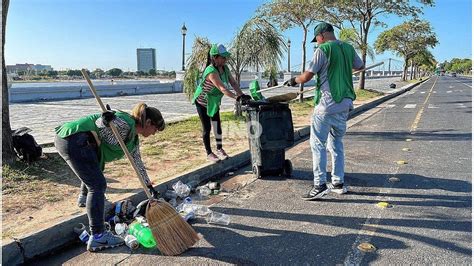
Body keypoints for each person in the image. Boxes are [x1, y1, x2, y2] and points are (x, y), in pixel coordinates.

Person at [54, 102, 164, 251]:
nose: (154, 133)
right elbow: (102, 124)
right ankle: (98, 236)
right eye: (155, 129)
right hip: (76, 139)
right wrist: (105, 120)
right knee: (98, 186)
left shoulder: (133, 139)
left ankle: (84, 198)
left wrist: (149, 187)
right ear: (149, 122)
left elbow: (138, 163)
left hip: (73, 140)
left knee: (94, 176)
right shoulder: (125, 123)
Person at [284, 22, 364, 200]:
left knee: (318, 145)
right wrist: (342, 71)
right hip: (344, 105)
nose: (317, 42)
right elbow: (360, 66)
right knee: (336, 144)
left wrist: (294, 81)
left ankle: (319, 185)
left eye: (317, 39)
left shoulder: (323, 50)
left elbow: (307, 76)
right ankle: (338, 183)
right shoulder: (348, 48)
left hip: (326, 106)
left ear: (322, 35)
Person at [192, 43, 250, 163]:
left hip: (213, 100)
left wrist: (242, 95)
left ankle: (219, 149)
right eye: (223, 57)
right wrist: (237, 98)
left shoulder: (225, 68)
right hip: (202, 101)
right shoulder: (211, 71)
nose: (225, 59)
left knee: (217, 125)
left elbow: (233, 83)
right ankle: (209, 153)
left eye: (225, 57)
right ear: (214, 57)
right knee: (207, 128)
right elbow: (222, 88)